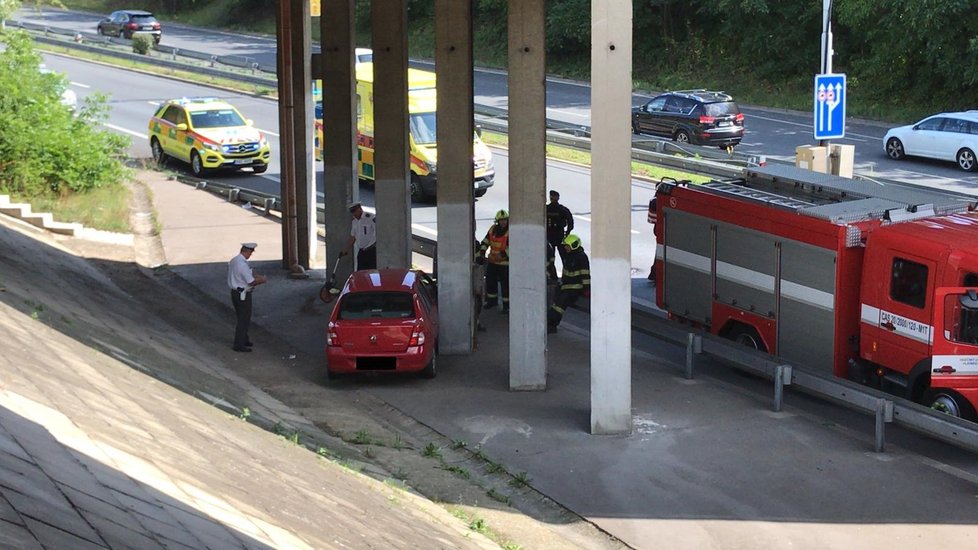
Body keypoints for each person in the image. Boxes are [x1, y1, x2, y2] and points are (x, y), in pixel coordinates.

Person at [227, 242, 268, 352]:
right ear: (247, 251)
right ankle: (239, 344)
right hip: (243, 294)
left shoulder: (235, 260)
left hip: (235, 292)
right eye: (250, 253)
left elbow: (249, 273)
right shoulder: (242, 264)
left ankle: (244, 339)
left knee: (241, 317)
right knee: (244, 319)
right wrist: (262, 280)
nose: (251, 255)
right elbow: (251, 282)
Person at [547, 234, 590, 334]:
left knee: (559, 305)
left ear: (573, 245)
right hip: (566, 286)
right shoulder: (569, 256)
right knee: (556, 304)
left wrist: (586, 289)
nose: (565, 248)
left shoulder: (581, 257)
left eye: (567, 246)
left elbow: (585, 274)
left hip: (575, 288)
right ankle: (551, 324)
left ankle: (552, 324)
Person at [476, 209, 510, 313]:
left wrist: (502, 255)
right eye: (501, 220)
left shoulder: (510, 231)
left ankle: (506, 306)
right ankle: (492, 301)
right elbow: (485, 241)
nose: (503, 222)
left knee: (505, 285)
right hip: (492, 262)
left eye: (505, 220)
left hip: (504, 264)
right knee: (490, 282)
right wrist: (481, 253)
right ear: (497, 221)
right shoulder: (492, 229)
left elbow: (512, 247)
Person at [339, 202, 377, 270]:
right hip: (362, 251)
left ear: (360, 209)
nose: (354, 214)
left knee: (372, 272)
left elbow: (378, 232)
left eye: (354, 211)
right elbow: (353, 237)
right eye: (352, 212)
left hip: (372, 250)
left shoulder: (370, 218)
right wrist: (345, 250)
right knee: (360, 273)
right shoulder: (354, 222)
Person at [546, 190, 574, 281]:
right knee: (550, 259)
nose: (552, 198)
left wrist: (567, 232)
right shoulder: (546, 209)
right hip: (550, 237)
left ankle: (565, 277)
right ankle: (552, 276)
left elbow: (570, 221)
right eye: (551, 196)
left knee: (565, 258)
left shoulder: (562, 210)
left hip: (560, 237)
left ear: (558, 198)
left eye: (554, 196)